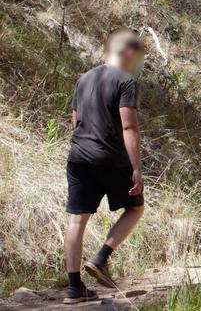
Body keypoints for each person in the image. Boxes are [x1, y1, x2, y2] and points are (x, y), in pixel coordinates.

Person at [63, 29, 144, 304]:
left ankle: (75, 288)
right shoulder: (126, 81)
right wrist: (136, 168)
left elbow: (74, 120)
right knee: (135, 207)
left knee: (76, 220)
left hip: (78, 156)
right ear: (128, 52)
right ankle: (101, 257)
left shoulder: (83, 79)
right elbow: (129, 126)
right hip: (110, 157)